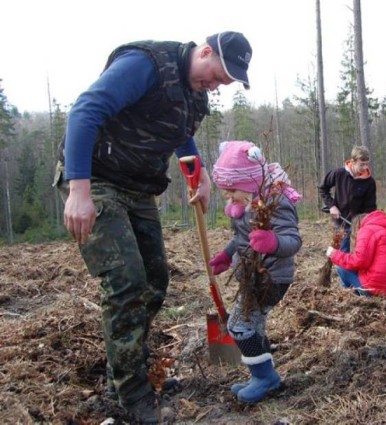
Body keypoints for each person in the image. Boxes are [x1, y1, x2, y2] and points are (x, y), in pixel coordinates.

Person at [54, 32, 252, 422]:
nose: (214, 86)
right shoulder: (145, 64)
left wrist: (200, 173)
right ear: (206, 51)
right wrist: (79, 190)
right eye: (216, 76)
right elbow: (85, 110)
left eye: (222, 84)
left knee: (155, 280)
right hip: (96, 179)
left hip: (138, 187)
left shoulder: (193, 90)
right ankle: (130, 395)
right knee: (126, 281)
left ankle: (127, 371)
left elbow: (179, 130)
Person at [208, 141, 302, 404]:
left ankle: (264, 378)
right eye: (224, 193)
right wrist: (227, 255)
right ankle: (262, 376)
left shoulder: (275, 202)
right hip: (252, 277)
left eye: (231, 192)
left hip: (271, 278)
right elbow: (242, 238)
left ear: (249, 183)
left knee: (239, 327)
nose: (229, 198)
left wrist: (273, 242)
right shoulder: (247, 203)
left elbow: (293, 240)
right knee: (254, 326)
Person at [325, 210, 386, 298]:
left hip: (375, 289)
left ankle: (349, 296)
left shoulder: (366, 230)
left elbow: (359, 261)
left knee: (342, 268)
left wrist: (334, 255)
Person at [318, 145, 377, 252]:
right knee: (343, 251)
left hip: (359, 224)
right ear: (353, 161)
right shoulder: (339, 174)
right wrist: (332, 206)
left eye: (367, 164)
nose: (365, 167)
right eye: (362, 164)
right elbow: (323, 189)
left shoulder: (369, 182)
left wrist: (366, 224)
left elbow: (371, 207)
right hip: (341, 221)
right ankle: (341, 267)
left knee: (359, 252)